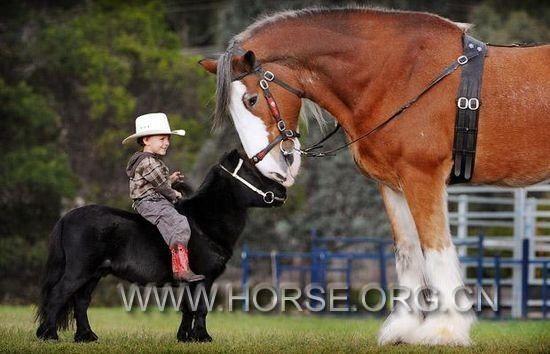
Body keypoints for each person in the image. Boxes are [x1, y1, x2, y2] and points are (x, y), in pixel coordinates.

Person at [122, 112, 204, 282]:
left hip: (150, 200)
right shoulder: (149, 162)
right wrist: (174, 192)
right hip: (151, 202)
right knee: (180, 223)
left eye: (168, 139)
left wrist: (170, 180)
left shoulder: (147, 160)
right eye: (162, 139)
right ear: (146, 140)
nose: (167, 143)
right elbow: (161, 187)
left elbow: (156, 181)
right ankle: (181, 269)